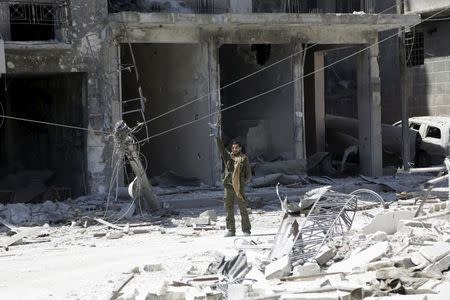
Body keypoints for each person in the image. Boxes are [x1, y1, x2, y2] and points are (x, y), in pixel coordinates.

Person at [211, 125, 252, 237]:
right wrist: (216, 137)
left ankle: (246, 230)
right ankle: (231, 230)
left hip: (239, 187)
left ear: (240, 148)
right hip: (228, 186)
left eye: (236, 148)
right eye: (233, 148)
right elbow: (221, 149)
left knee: (243, 208)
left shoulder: (244, 158)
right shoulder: (228, 157)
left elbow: (248, 175)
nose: (234, 149)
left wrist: (241, 183)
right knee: (229, 209)